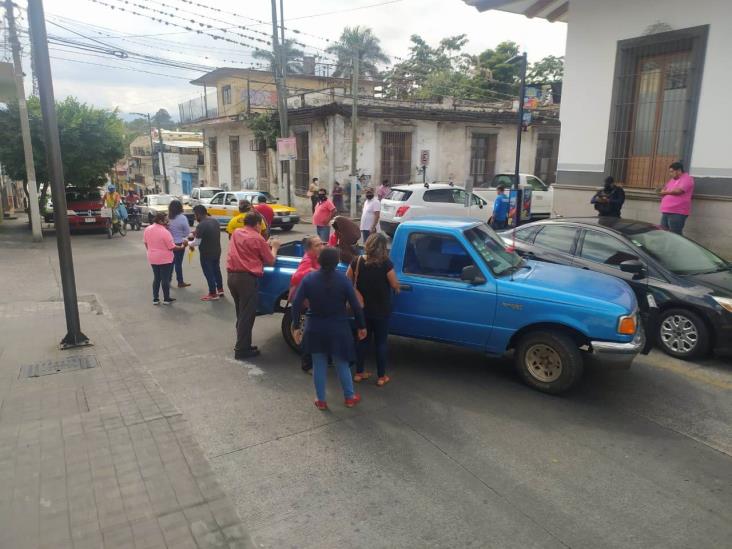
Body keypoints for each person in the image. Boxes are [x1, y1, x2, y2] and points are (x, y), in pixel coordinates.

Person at [292, 246, 367, 410]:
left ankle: (321, 400)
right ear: (337, 262)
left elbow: (296, 303)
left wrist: (296, 326)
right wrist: (361, 326)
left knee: (318, 364)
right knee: (342, 362)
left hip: (315, 327)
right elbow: (355, 305)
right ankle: (349, 397)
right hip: (338, 328)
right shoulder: (343, 280)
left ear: (319, 260)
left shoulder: (309, 279)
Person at [226, 212, 281, 360]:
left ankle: (244, 344)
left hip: (232, 276)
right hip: (246, 279)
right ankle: (241, 349)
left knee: (241, 313)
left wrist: (265, 244)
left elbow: (248, 249)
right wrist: (274, 247)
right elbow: (270, 261)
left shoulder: (237, 232)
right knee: (247, 315)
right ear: (257, 224)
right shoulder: (257, 238)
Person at [348, 233, 400, 386]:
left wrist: (356, 292)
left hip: (362, 310)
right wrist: (397, 287)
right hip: (381, 311)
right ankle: (381, 376)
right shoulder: (386, 264)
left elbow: (347, 279)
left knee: (362, 340)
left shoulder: (357, 261)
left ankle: (359, 373)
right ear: (383, 248)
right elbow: (394, 284)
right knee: (381, 343)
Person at [289, 235, 324, 373]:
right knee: (309, 333)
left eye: (322, 243)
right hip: (305, 301)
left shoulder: (316, 257)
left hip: (311, 300)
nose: (321, 246)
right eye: (317, 245)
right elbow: (296, 277)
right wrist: (311, 272)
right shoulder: (307, 260)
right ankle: (307, 364)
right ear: (309, 249)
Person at [143, 211, 186, 305]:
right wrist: (182, 247)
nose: (168, 223)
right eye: (166, 221)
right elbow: (172, 247)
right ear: (160, 221)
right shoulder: (165, 232)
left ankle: (155, 299)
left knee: (156, 278)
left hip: (152, 257)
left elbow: (146, 243)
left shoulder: (148, 229)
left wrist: (151, 251)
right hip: (165, 259)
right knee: (165, 279)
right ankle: (166, 299)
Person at [192, 205, 224, 301]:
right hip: (217, 250)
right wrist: (196, 232)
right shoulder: (214, 221)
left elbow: (197, 242)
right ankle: (220, 289)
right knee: (216, 270)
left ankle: (213, 293)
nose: (194, 217)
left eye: (195, 215)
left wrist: (188, 243)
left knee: (208, 273)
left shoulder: (201, 225)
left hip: (206, 253)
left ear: (198, 214)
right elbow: (208, 233)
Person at [659, 161, 695, 235]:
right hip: (667, 211)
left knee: (675, 235)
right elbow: (664, 189)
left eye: (672, 172)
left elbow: (679, 191)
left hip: (677, 212)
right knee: (663, 233)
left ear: (679, 170)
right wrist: (663, 191)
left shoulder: (687, 179)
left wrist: (665, 192)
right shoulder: (672, 180)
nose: (670, 174)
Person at [167, 200, 192, 288]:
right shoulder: (182, 218)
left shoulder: (168, 218)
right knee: (178, 264)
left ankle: (168, 280)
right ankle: (180, 282)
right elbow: (187, 232)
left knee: (170, 263)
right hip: (179, 243)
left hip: (169, 243)